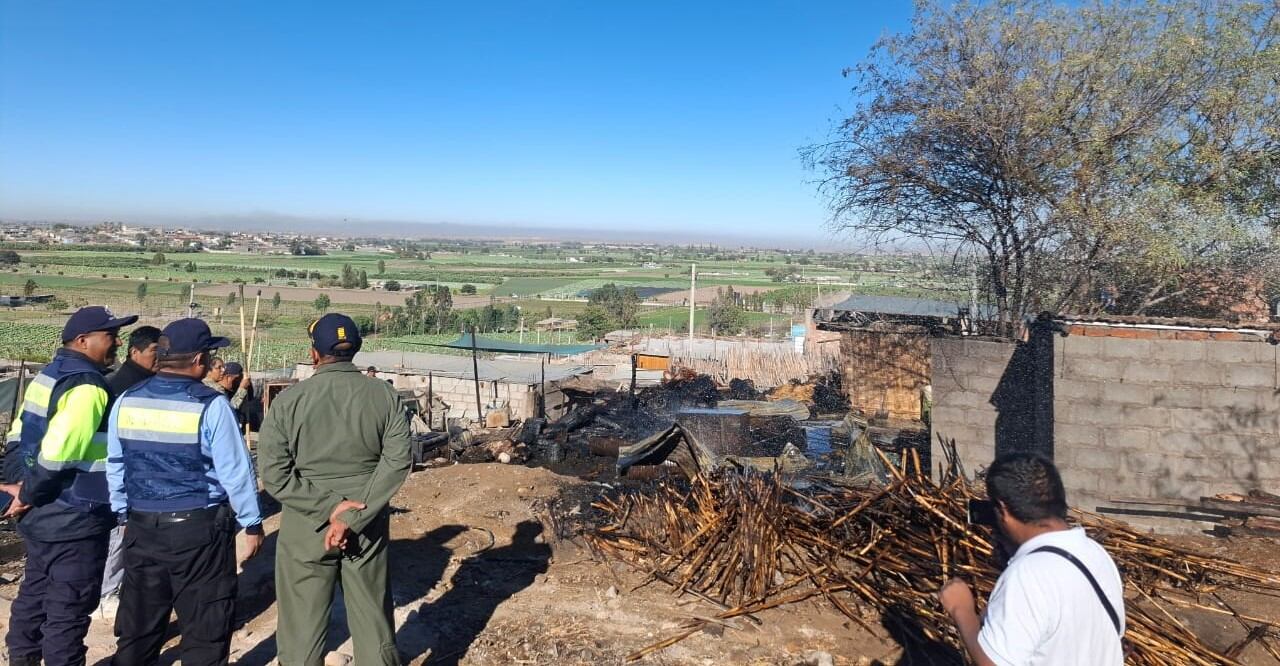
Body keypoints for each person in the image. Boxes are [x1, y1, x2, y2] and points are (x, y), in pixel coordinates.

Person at [106, 317, 265, 665]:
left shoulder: (128, 401)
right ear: (197, 360)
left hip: (142, 527)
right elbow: (235, 472)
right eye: (209, 355)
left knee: (138, 630)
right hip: (198, 533)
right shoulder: (210, 406)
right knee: (204, 630)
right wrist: (252, 524)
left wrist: (123, 515)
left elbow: (116, 465)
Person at [259, 313, 411, 666]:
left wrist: (329, 509)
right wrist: (353, 515)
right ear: (356, 350)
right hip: (366, 524)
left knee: (301, 630)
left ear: (314, 353)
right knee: (372, 621)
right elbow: (398, 461)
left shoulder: (289, 401)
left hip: (305, 527)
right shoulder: (384, 396)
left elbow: (274, 473)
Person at [1, 305, 138, 666]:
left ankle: (23, 657)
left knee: (35, 592)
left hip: (40, 515)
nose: (117, 343)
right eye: (110, 336)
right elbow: (59, 456)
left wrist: (15, 488)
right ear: (83, 340)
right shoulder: (88, 387)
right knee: (68, 608)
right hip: (74, 517)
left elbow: (18, 436)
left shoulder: (49, 374)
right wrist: (27, 493)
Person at [938, 453, 1125, 666]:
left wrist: (961, 609)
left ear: (1003, 510)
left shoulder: (1027, 575)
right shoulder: (1095, 553)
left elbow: (994, 663)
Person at [99, 324, 162, 612]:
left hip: (141, 474)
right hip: (121, 472)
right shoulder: (121, 387)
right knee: (118, 533)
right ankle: (106, 594)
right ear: (134, 352)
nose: (159, 357)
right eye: (153, 351)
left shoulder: (149, 383)